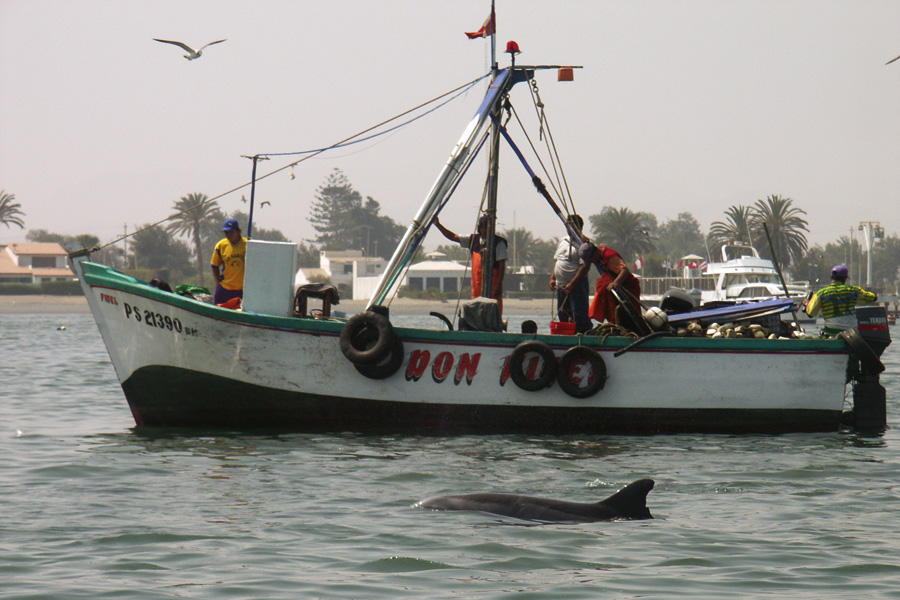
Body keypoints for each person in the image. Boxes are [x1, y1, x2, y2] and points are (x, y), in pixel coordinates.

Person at [434, 214, 507, 313]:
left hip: (493, 287)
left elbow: (502, 264)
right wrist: (438, 225)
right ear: (479, 228)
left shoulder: (499, 243)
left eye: (488, 227)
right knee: (476, 312)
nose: (485, 230)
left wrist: (499, 284)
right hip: (476, 287)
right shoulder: (473, 240)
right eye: (483, 227)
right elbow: (453, 237)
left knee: (493, 311)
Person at [563, 241, 640, 325]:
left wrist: (615, 282)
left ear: (595, 255)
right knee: (616, 314)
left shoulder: (610, 258)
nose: (592, 262)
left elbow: (624, 271)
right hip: (616, 290)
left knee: (631, 315)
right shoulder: (597, 252)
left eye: (591, 260)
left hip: (628, 288)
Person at [803, 265, 877, 335]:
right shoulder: (854, 290)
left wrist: (807, 304)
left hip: (831, 331)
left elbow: (810, 314)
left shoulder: (821, 293)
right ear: (844, 279)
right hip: (852, 333)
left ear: (832, 278)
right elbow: (873, 298)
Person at [549, 214, 592, 333]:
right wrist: (553, 278)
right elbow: (557, 260)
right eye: (567, 227)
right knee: (563, 313)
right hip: (561, 285)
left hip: (577, 286)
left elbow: (585, 267)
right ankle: (566, 337)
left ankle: (583, 336)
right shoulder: (563, 241)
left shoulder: (583, 245)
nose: (569, 230)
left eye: (572, 227)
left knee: (579, 315)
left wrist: (572, 284)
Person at [210, 218, 248, 306]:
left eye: (231, 232)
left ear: (238, 231)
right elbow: (214, 265)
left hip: (242, 290)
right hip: (224, 289)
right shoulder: (221, 245)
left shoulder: (248, 244)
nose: (228, 235)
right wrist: (217, 283)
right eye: (226, 232)